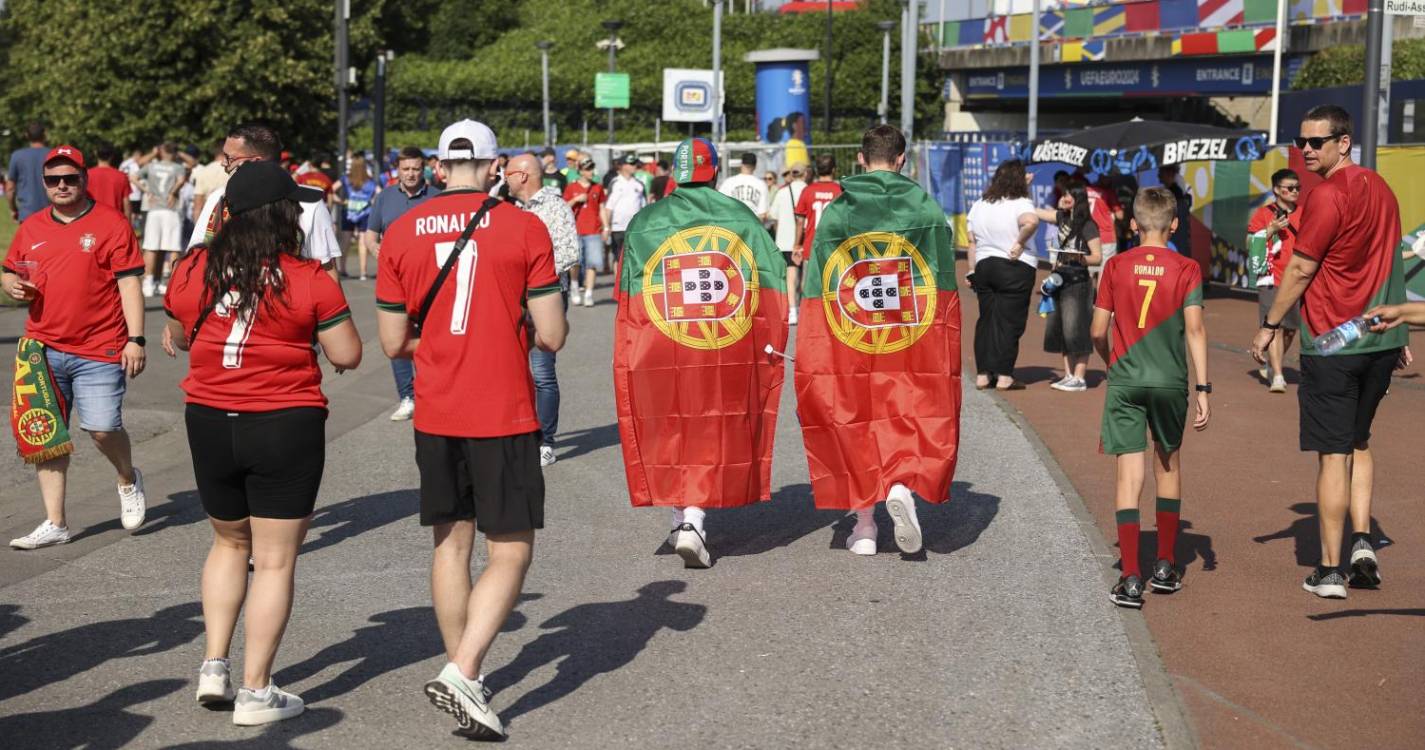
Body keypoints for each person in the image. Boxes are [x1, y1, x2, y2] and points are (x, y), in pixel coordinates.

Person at [375, 120, 566, 739]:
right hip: (502, 405)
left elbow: (391, 341)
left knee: (449, 545)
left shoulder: (401, 230)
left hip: (436, 406)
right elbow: (554, 334)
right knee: (510, 548)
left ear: (437, 167)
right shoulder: (524, 225)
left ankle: (466, 673)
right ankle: (463, 671)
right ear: (493, 167)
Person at [161, 160, 360, 725]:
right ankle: (255, 690)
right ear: (281, 215)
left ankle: (214, 664)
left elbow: (176, 329)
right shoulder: (308, 275)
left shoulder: (193, 266)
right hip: (283, 419)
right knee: (273, 562)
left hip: (209, 417)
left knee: (228, 544)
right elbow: (347, 354)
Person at [1250, 105, 1410, 599]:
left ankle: (1330, 570)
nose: (1308, 150)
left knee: (1333, 453)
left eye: (1318, 142)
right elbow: (1390, 257)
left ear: (1344, 142)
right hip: (1379, 340)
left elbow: (1298, 271)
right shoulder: (1381, 189)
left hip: (1333, 343)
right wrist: (1398, 327)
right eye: (1302, 142)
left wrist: (1270, 324)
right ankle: (1363, 542)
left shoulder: (1325, 197)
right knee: (1359, 441)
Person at [613, 137, 788, 569]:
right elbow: (769, 279)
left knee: (670, 422)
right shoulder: (740, 218)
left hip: (662, 338)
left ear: (675, 171)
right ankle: (690, 517)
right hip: (724, 341)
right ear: (713, 171)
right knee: (712, 424)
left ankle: (683, 516)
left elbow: (626, 290)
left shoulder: (646, 221)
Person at [793, 124, 961, 557]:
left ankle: (864, 526)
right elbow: (943, 282)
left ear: (862, 160)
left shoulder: (838, 213)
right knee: (904, 411)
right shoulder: (925, 210)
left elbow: (819, 284)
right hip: (910, 330)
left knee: (852, 417)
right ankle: (901, 485)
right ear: (902, 160)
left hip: (851, 330)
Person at [4, 145, 149, 549]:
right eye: (54, 180)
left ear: (84, 179)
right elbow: (10, 270)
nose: (62, 185)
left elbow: (129, 284)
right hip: (42, 347)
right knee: (45, 436)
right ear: (45, 183)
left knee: (103, 429)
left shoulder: (111, 223)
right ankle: (56, 523)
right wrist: (10, 284)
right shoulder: (32, 227)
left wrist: (136, 339)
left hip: (99, 346)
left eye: (70, 178)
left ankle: (127, 477)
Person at [1092, 187, 1210, 609]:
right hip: (1170, 380)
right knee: (1168, 462)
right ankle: (1164, 562)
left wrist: (1111, 362)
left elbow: (1097, 331)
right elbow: (1195, 329)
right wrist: (1203, 386)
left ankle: (1130, 576)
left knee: (1129, 473)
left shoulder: (1116, 266)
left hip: (1126, 379)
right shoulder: (1187, 267)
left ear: (1132, 224)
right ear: (1174, 224)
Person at [188, 123, 342, 282]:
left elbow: (327, 270)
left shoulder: (309, 202)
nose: (223, 163)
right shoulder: (218, 197)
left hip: (286, 302)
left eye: (229, 157)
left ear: (255, 161)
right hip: (227, 302)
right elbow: (197, 256)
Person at [505, 153, 580, 468]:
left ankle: (545, 441)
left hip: (545, 298)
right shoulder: (511, 209)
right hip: (513, 300)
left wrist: (529, 275)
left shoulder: (554, 206)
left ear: (522, 175)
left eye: (506, 172)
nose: (503, 177)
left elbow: (568, 253)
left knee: (542, 373)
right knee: (513, 371)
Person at [365, 146, 438, 422]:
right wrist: (380, 255)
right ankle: (407, 396)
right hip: (394, 283)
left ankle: (431, 392)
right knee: (398, 340)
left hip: (430, 282)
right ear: (398, 170)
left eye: (416, 169)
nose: (410, 174)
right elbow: (371, 236)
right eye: (406, 169)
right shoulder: (384, 198)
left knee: (432, 339)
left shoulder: (436, 197)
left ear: (424, 169)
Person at [966, 160, 1040, 391]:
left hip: (984, 265)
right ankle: (1005, 375)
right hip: (1014, 265)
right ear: (1020, 180)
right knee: (1009, 322)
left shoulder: (981, 203)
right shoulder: (1021, 202)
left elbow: (971, 241)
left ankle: (983, 374)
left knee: (986, 320)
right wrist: (1019, 242)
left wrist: (971, 269)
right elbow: (1031, 221)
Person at [1035, 180, 1103, 392]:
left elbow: (1097, 257)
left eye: (1068, 196)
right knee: (1062, 329)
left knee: (1078, 328)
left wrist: (1079, 258)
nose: (1063, 198)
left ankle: (1080, 377)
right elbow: (1036, 212)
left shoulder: (1088, 226)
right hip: (1060, 279)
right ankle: (1068, 374)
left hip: (1078, 280)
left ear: (1078, 200)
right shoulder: (1061, 217)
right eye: (1062, 194)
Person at [1247, 168, 1302, 393]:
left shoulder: (1305, 212)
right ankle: (1278, 375)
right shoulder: (1263, 214)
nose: (1295, 191)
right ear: (1277, 190)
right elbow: (1250, 243)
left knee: (1291, 329)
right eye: (1290, 188)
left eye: (1297, 188)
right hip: (1271, 278)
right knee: (1275, 327)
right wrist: (1270, 229)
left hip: (1297, 279)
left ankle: (1272, 362)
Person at [793, 155, 843, 327]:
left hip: (812, 247)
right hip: (835, 247)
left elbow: (800, 221)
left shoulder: (808, 190)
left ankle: (812, 322)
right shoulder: (840, 190)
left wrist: (797, 244)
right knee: (834, 285)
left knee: (811, 286)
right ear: (834, 169)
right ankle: (835, 320)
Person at [134, 143, 189, 296]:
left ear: (160, 152)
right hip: (171, 210)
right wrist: (173, 192)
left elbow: (133, 176)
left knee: (151, 247)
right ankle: (170, 283)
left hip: (154, 209)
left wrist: (147, 191)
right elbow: (181, 179)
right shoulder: (178, 167)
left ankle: (148, 283)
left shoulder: (151, 166)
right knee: (173, 248)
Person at [563, 157, 607, 307]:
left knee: (592, 263)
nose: (590, 171)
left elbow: (602, 208)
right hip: (575, 230)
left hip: (594, 230)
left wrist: (606, 227)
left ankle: (589, 294)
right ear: (580, 171)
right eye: (587, 169)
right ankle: (574, 286)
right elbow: (564, 207)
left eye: (591, 168)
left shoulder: (598, 187)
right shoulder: (571, 187)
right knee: (575, 262)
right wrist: (575, 200)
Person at [770, 163, 807, 325]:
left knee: (790, 276)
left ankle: (793, 310)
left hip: (785, 240)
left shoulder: (782, 192)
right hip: (806, 240)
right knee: (804, 275)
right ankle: (804, 308)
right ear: (805, 174)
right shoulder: (809, 190)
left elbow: (773, 216)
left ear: (792, 175)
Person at [333, 153, 377, 279]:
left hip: (349, 211)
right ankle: (363, 272)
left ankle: (342, 269)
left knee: (345, 240)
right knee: (363, 242)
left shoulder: (346, 179)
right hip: (365, 212)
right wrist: (372, 202)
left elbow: (332, 188)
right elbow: (378, 192)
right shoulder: (369, 181)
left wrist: (340, 201)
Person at [602, 153, 646, 271]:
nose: (634, 166)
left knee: (634, 257)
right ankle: (618, 287)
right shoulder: (615, 183)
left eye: (635, 164)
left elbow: (644, 207)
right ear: (622, 166)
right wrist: (606, 227)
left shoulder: (639, 184)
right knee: (619, 258)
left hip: (635, 227)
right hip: (618, 227)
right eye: (631, 164)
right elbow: (608, 207)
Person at [6, 121, 49, 221]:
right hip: (51, 214)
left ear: (26, 135)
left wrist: (13, 209)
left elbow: (10, 189)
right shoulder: (52, 154)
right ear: (44, 134)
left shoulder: (17, 156)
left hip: (27, 214)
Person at [718, 152, 770, 224]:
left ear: (741, 165)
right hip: (752, 225)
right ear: (755, 166)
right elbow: (762, 214)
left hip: (733, 225)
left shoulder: (728, 182)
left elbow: (720, 206)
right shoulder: (761, 184)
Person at [86, 146, 134, 223]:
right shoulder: (121, 176)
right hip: (115, 222)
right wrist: (128, 224)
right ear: (112, 156)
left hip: (92, 221)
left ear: (96, 154)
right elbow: (127, 205)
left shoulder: (87, 175)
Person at [1159, 165, 1193, 255]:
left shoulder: (1174, 194)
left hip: (1176, 239)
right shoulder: (1174, 191)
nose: (1158, 175)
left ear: (1169, 173)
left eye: (1161, 172)